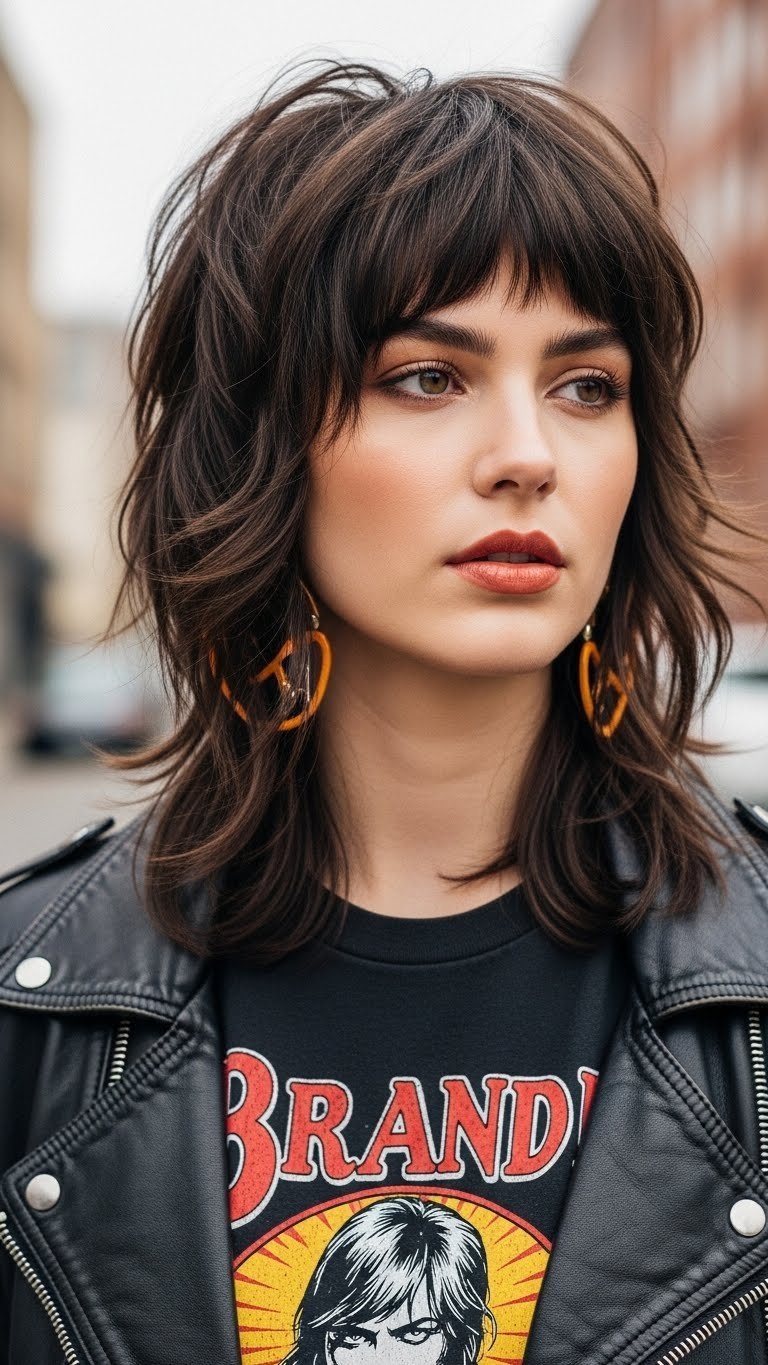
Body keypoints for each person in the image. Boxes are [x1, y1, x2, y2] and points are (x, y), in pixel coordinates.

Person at [0, 59, 767, 1365]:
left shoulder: (748, 1008)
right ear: (263, 446)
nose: (527, 452)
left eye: (588, 385)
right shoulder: (35, 1010)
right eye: (428, 375)